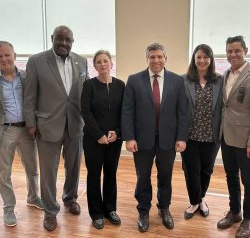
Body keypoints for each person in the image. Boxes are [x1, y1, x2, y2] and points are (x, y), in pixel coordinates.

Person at [24, 25, 88, 231]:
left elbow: (83, 94)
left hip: (75, 125)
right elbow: (30, 96)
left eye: (68, 40)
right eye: (59, 40)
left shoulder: (81, 61)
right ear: (52, 38)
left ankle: (70, 198)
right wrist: (31, 124)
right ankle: (51, 211)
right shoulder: (36, 61)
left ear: (73, 42)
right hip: (47, 126)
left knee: (74, 167)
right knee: (48, 171)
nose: (63, 44)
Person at [122, 43, 188, 232]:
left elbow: (183, 112)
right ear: (147, 59)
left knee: (165, 175)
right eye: (152, 57)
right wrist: (129, 138)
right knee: (143, 176)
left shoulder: (177, 81)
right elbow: (127, 112)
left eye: (160, 57)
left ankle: (164, 208)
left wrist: (181, 137)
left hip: (168, 139)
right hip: (141, 140)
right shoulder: (134, 80)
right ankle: (143, 211)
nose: (156, 60)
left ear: (165, 58)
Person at [217, 36, 250, 238]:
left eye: (237, 51)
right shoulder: (225, 75)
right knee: (230, 176)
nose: (233, 55)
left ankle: (248, 219)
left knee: (249, 179)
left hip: (246, 140)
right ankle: (235, 211)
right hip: (226, 136)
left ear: (245, 51)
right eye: (229, 51)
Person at [0, 41, 43, 227]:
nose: (4, 59)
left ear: (15, 56)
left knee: (32, 168)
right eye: (0, 56)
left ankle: (33, 197)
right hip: (5, 131)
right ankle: (9, 208)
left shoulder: (27, 78)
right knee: (3, 173)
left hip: (27, 129)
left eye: (7, 55)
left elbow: (37, 101)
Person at [81, 50, 125, 230]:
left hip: (114, 140)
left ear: (111, 64)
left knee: (110, 174)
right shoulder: (88, 85)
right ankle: (96, 213)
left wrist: (118, 132)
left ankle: (110, 209)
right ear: (95, 66)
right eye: (98, 62)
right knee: (94, 176)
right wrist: (98, 134)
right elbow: (85, 111)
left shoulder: (121, 85)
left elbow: (125, 112)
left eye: (105, 61)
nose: (102, 64)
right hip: (93, 139)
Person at [181, 44, 223, 220]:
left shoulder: (220, 80)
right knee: (191, 170)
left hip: (211, 135)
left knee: (206, 170)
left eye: (206, 57)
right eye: (199, 57)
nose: (202, 60)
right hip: (189, 136)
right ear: (194, 59)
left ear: (211, 59)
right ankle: (194, 202)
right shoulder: (184, 80)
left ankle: (201, 199)